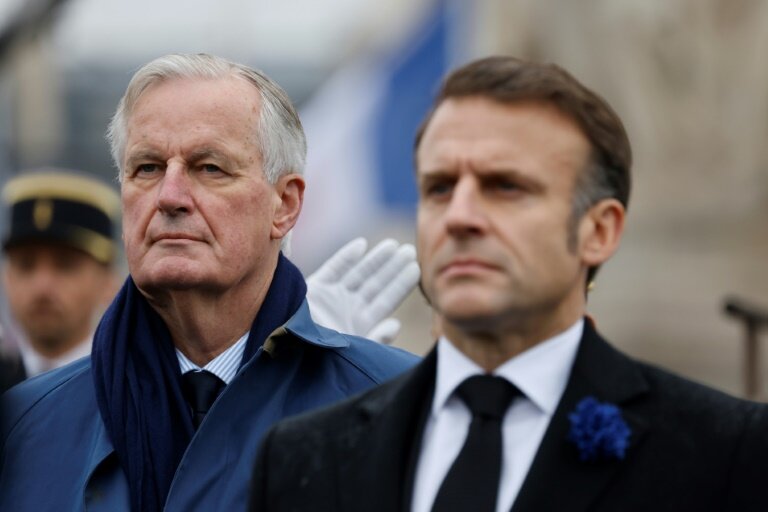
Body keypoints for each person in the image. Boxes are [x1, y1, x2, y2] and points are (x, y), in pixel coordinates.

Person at [249, 56, 768, 512]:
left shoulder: (724, 449)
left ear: (599, 231)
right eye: (440, 188)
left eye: (505, 187)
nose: (460, 216)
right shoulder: (303, 454)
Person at [0, 53, 418, 512]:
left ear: (284, 205)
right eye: (147, 168)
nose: (170, 197)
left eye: (210, 168)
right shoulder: (23, 424)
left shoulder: (401, 406)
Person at [1, 170, 121, 384]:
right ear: (7, 278)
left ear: (108, 281)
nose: (42, 286)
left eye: (65, 265)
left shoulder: (129, 389)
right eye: (25, 265)